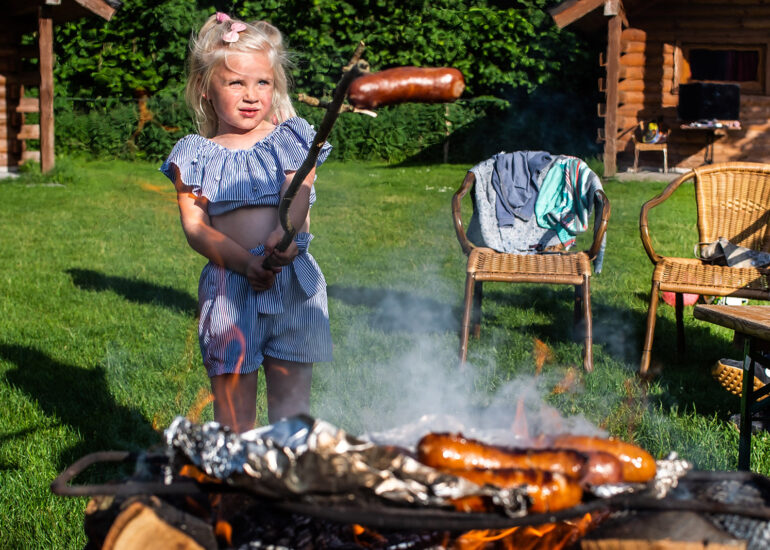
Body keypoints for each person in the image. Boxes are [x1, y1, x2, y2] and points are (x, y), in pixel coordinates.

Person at [160, 13, 333, 433]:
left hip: (291, 281)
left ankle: (284, 483)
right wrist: (244, 263)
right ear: (205, 87)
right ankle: (237, 488)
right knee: (234, 418)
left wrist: (287, 237)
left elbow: (299, 191)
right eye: (236, 82)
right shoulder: (195, 152)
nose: (252, 95)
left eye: (263, 83)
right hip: (230, 287)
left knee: (292, 413)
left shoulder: (289, 137)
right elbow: (196, 227)